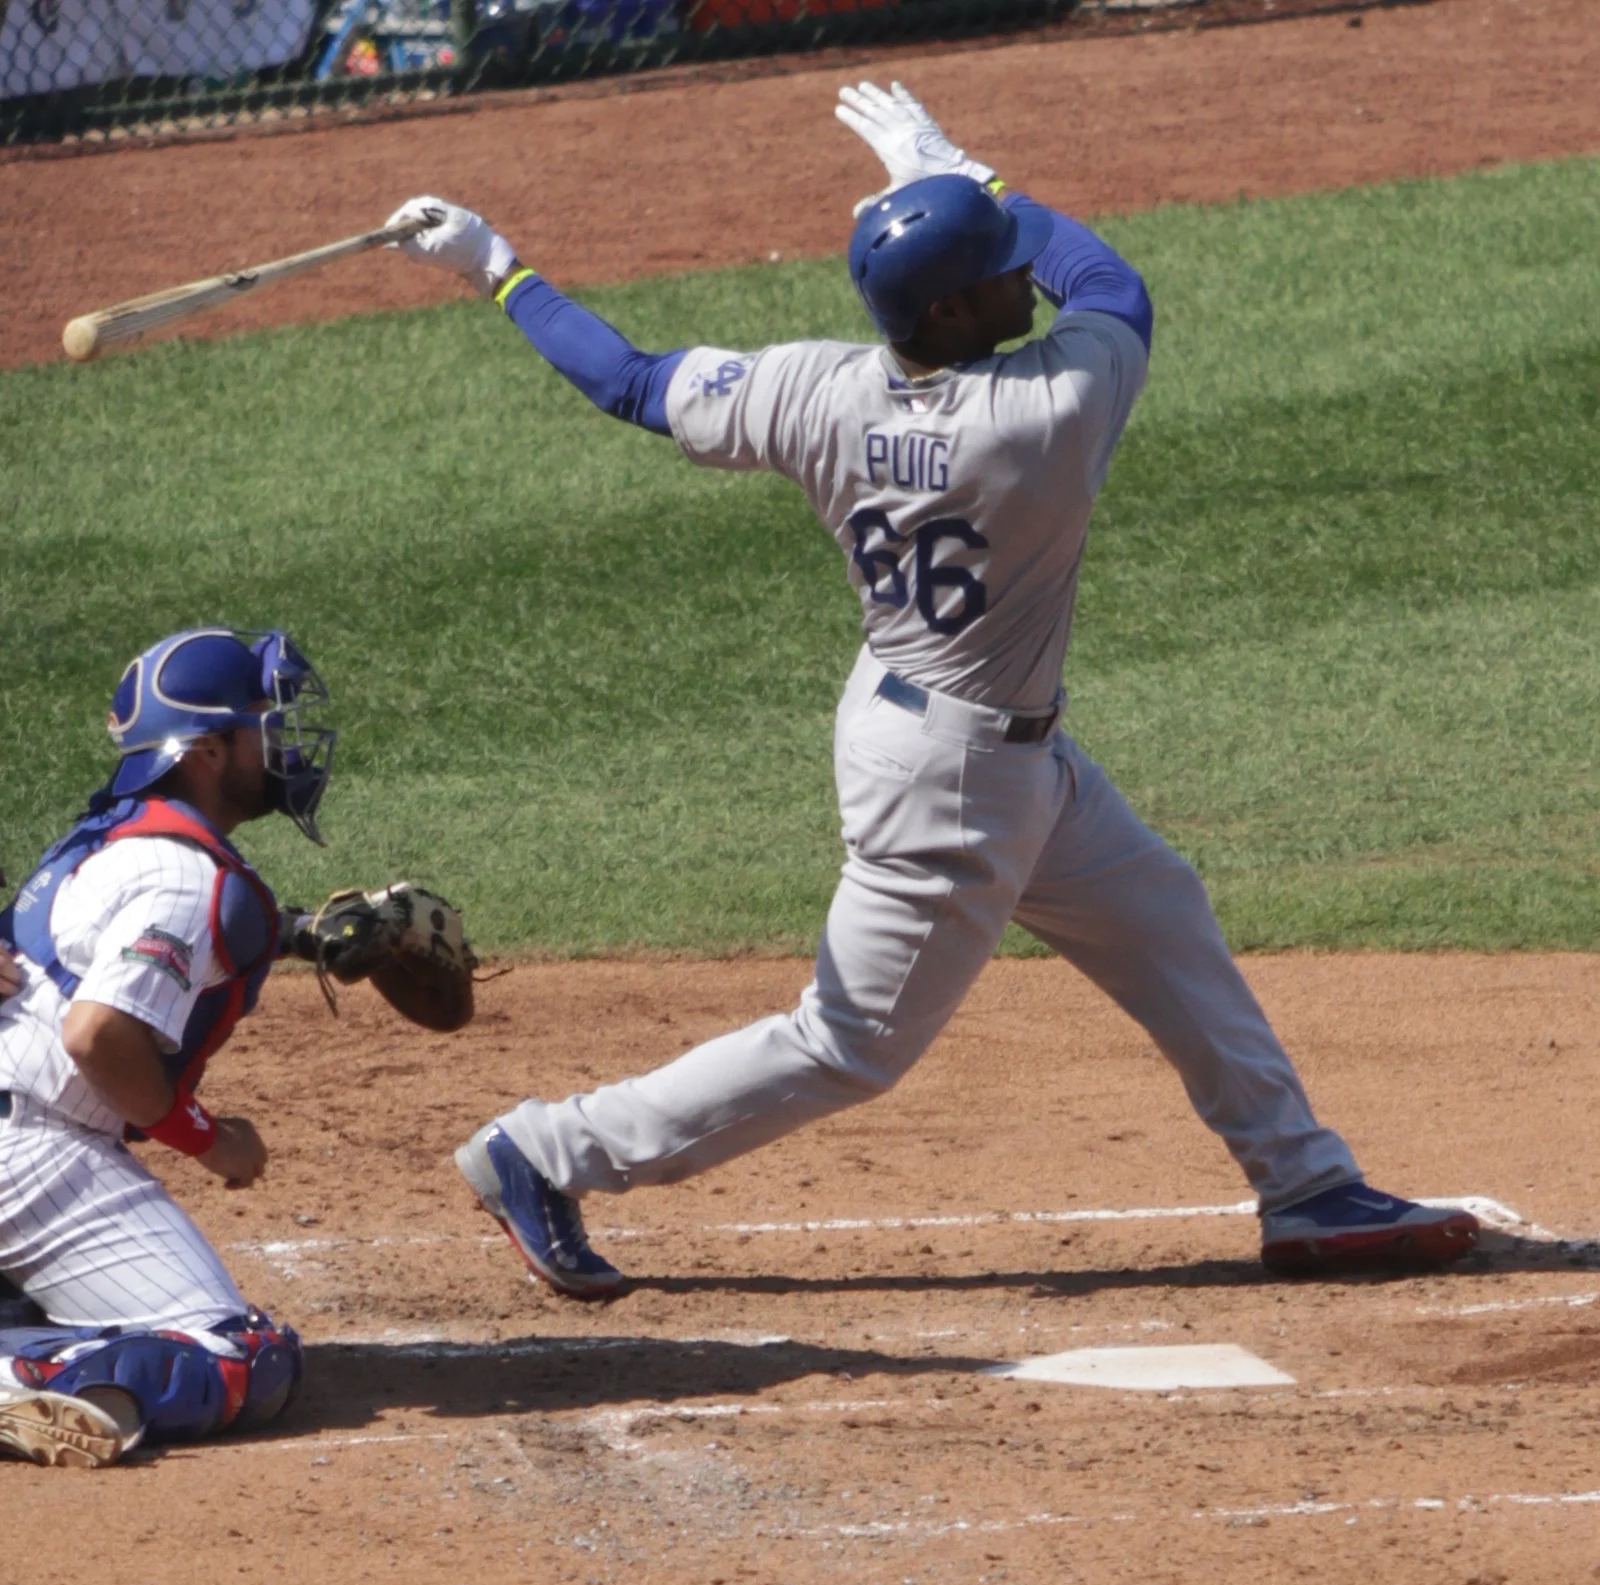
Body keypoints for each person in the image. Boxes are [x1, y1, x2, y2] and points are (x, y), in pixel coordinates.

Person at [383, 81, 1479, 1301]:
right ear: (953, 307)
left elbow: (629, 382)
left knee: (1159, 910)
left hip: (945, 730)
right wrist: (967, 169)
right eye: (999, 270)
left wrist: (495, 265)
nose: (1027, 281)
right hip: (957, 781)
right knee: (846, 1043)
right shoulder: (1045, 412)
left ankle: (1307, 1185)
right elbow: (1111, 282)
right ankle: (540, 1152)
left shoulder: (813, 388)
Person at [0, 628, 335, 1465]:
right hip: (31, 1150)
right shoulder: (188, 878)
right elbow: (97, 1034)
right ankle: (23, 1377)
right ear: (210, 752)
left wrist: (300, 932)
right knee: (240, 1356)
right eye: (262, 722)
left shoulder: (105, 837)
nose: (281, 740)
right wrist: (211, 1140)